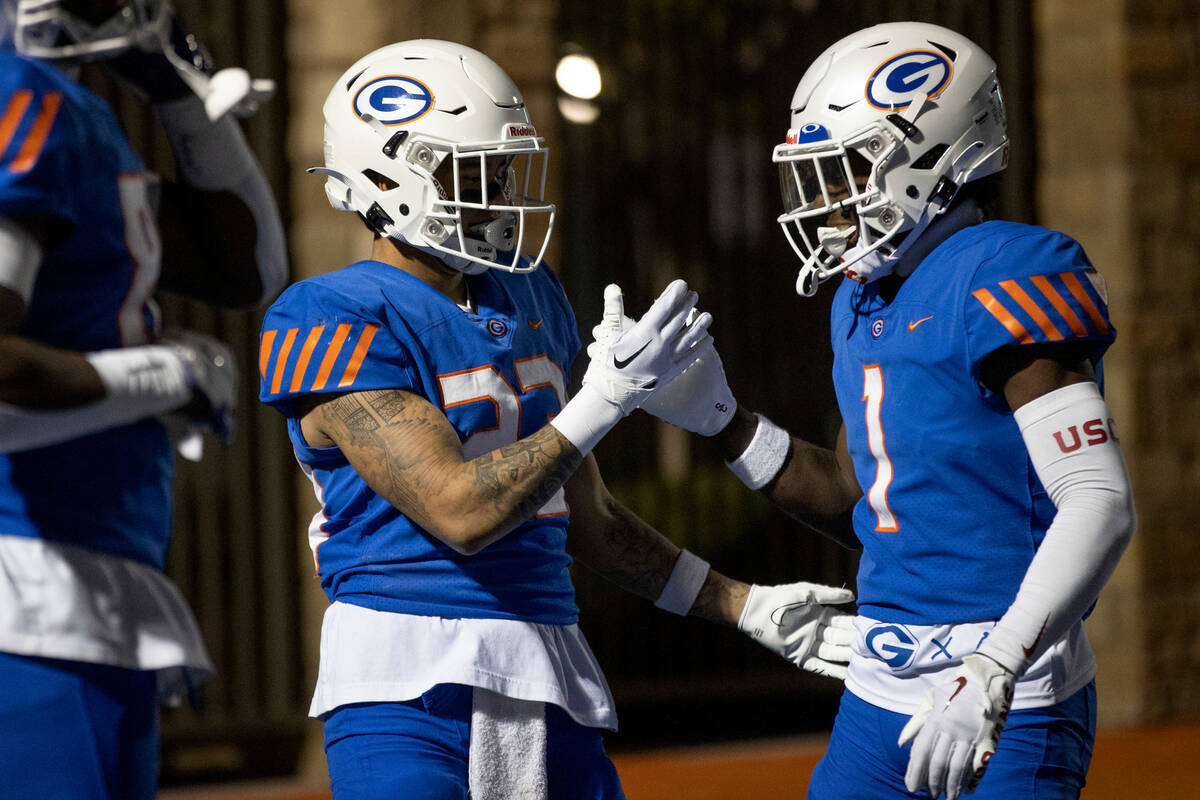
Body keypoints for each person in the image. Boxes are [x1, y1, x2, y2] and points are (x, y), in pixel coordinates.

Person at [258, 38, 855, 800]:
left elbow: (588, 516)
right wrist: (602, 399)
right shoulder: (332, 312)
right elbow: (459, 510)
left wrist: (746, 605)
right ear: (385, 174)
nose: (500, 193)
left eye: (502, 170)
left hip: (548, 663)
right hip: (407, 682)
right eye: (472, 171)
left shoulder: (529, 292)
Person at [638, 21, 1136, 800]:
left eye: (847, 169)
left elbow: (1099, 501)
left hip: (1002, 689)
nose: (828, 199)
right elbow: (858, 493)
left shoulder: (1006, 268)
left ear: (933, 151)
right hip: (877, 690)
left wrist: (994, 669)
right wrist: (722, 421)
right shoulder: (860, 297)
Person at [0, 1, 286, 798]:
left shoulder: (68, 112)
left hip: (88, 579)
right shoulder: (14, 91)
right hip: (28, 584)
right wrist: (164, 378)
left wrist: (180, 93)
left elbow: (248, 270)